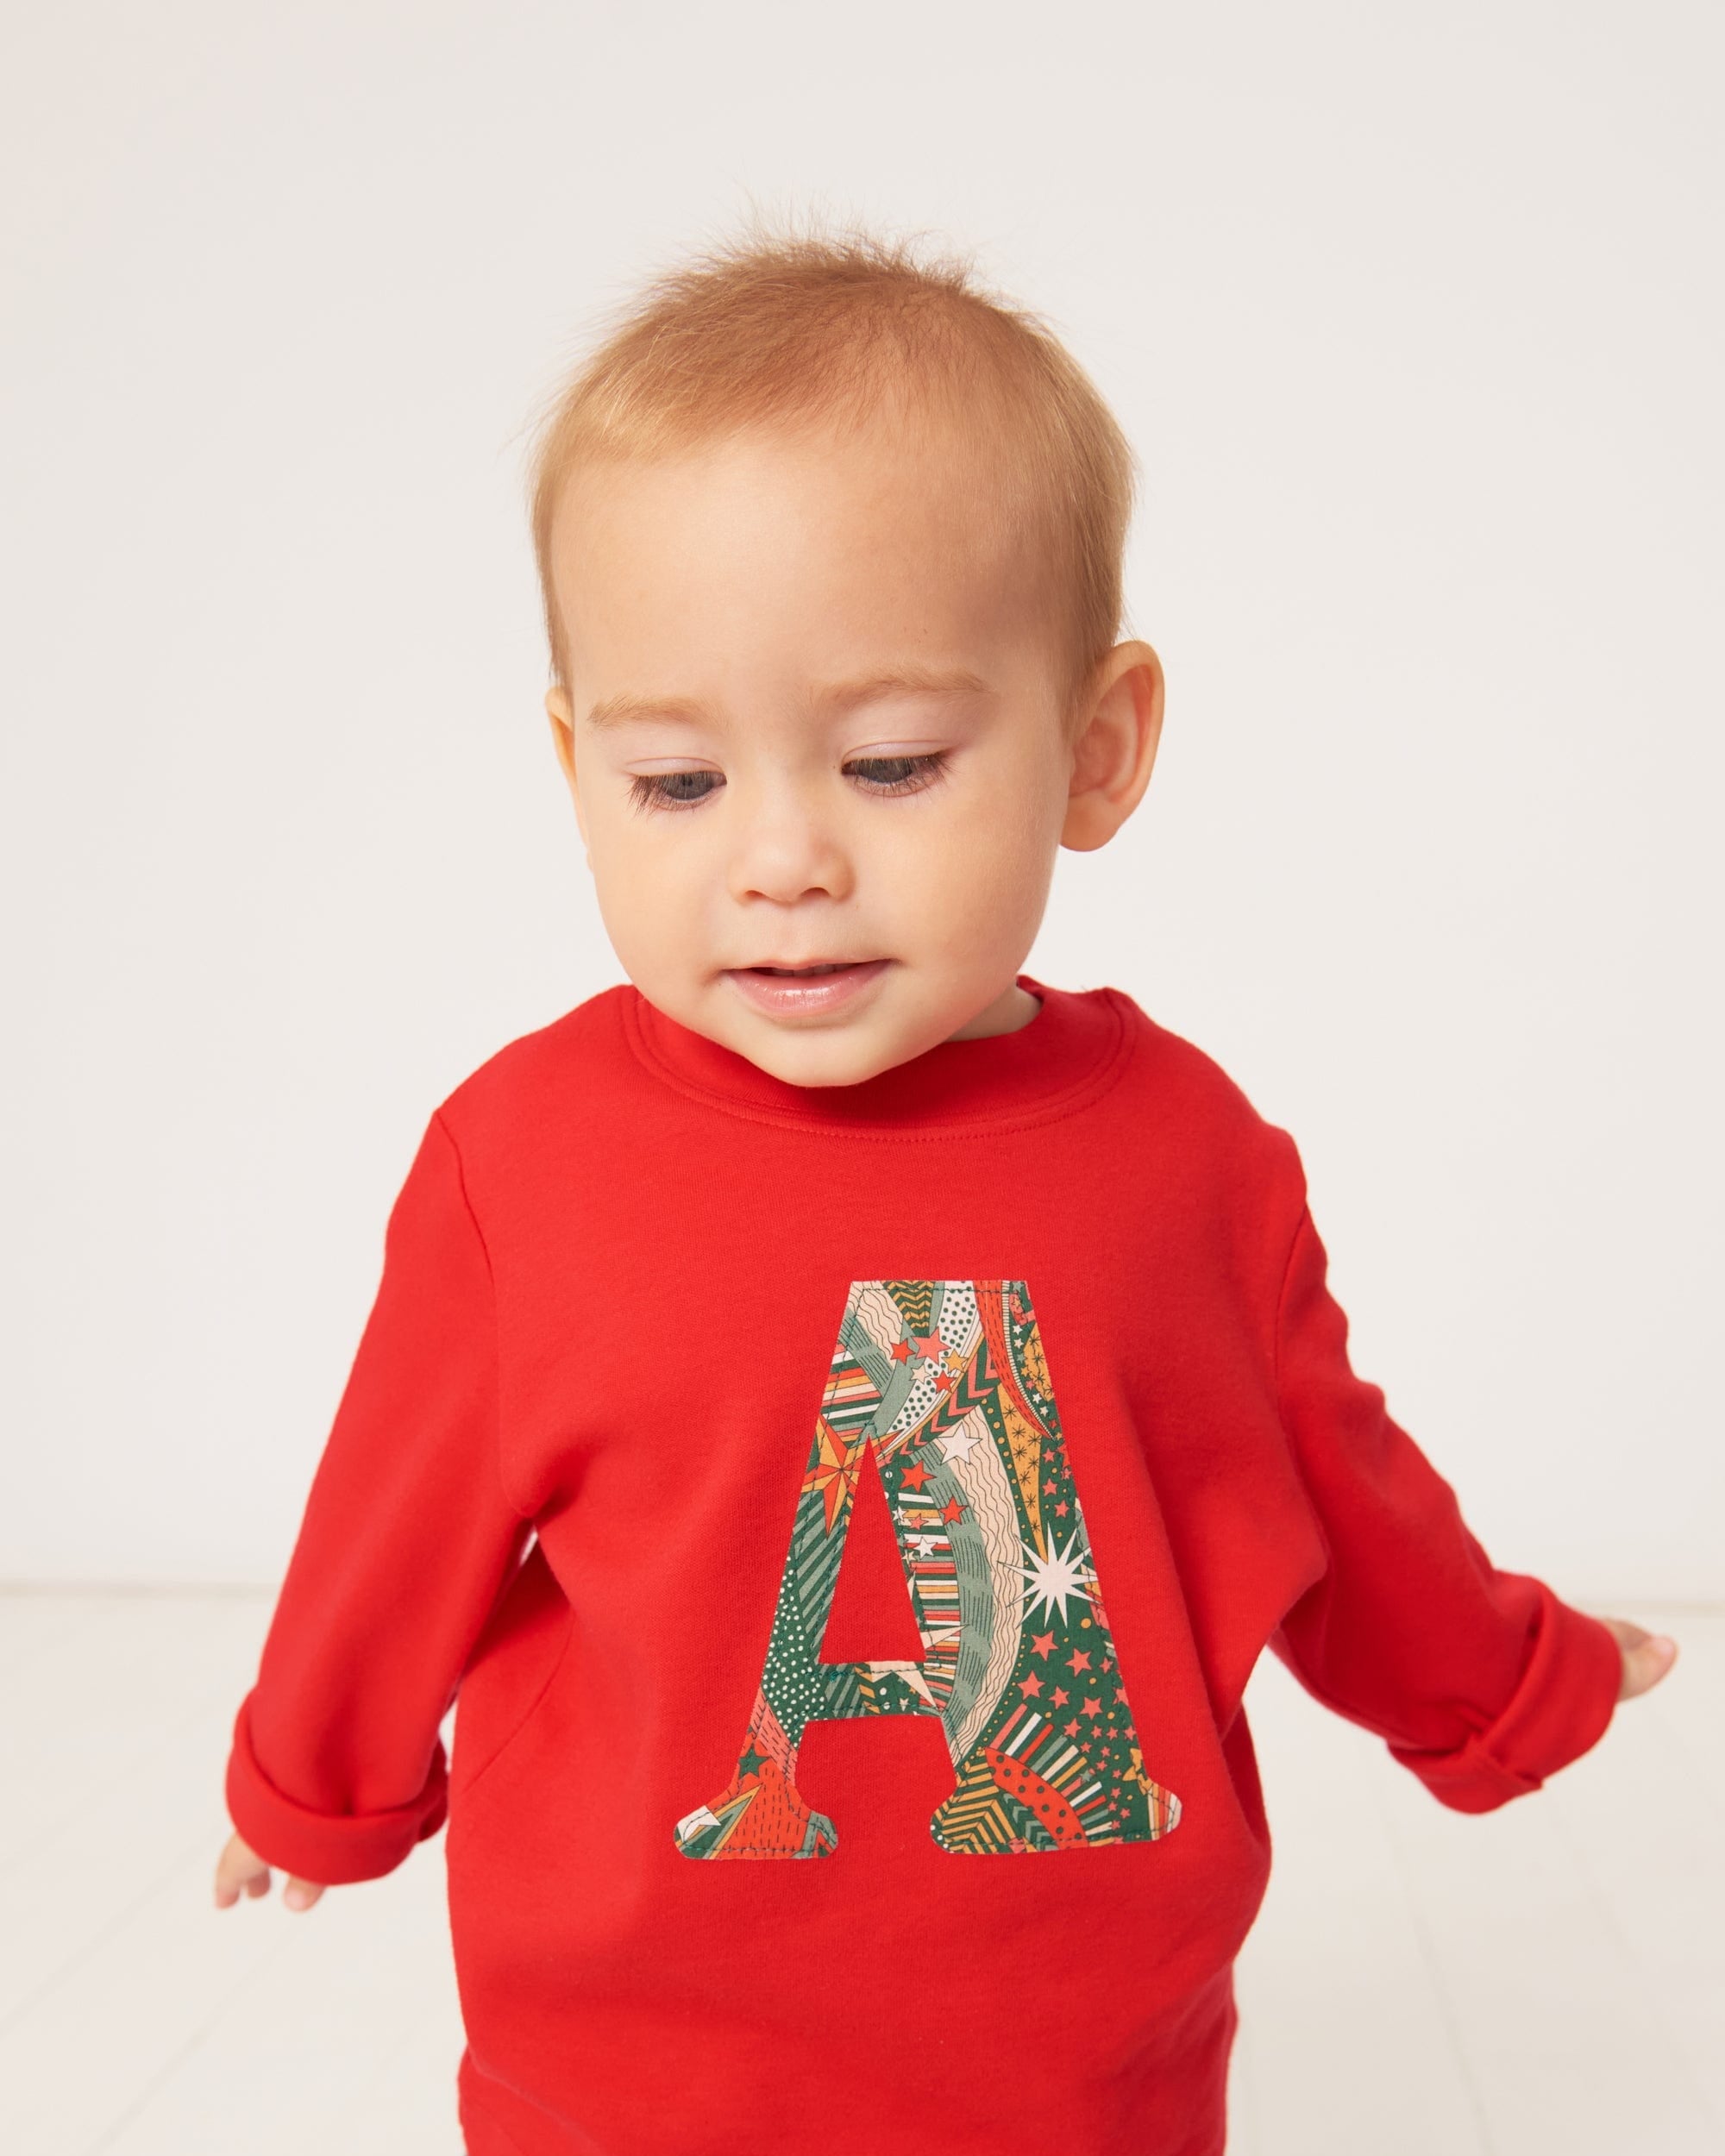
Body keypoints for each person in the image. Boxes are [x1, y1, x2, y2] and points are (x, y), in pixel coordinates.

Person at [212, 227, 1678, 2156]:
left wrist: (1500, 1680)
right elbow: (399, 1510)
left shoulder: (1186, 1159)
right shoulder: (523, 1157)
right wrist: (312, 1776)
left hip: (1079, 2064)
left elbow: (1333, 1486)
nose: (784, 858)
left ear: (1097, 748)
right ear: (575, 765)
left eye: (892, 763)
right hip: (629, 2062)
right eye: (677, 784)